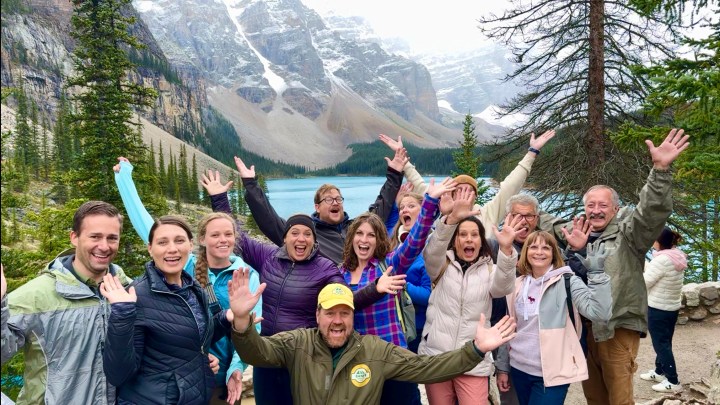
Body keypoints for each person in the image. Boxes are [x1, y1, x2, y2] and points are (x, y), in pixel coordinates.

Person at [210, 187, 405, 405]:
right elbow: (236, 238)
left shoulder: (324, 268)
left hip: (303, 358)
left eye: (307, 234)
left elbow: (347, 300)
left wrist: (375, 288)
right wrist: (218, 197)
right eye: (295, 233)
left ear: (314, 240)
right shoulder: (268, 256)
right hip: (267, 354)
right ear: (285, 238)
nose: (301, 239)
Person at [537, 128, 690, 405]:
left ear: (615, 208)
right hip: (583, 329)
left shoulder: (630, 233)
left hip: (616, 329)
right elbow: (548, 223)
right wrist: (522, 210)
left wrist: (660, 171)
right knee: (594, 397)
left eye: (603, 205)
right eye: (590, 204)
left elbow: (651, 212)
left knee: (619, 400)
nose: (596, 210)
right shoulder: (576, 230)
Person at [227, 269, 519, 404]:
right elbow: (257, 353)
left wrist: (476, 349)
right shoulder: (296, 343)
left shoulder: (375, 350)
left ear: (354, 316)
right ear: (317, 315)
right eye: (330, 313)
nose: (338, 321)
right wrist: (242, 322)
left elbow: (427, 368)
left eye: (345, 313)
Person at [114, 158, 259, 404]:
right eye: (215, 235)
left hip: (223, 374)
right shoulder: (185, 264)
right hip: (189, 373)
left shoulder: (246, 274)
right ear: (201, 240)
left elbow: (252, 325)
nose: (222, 240)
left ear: (236, 238)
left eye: (228, 234)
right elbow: (147, 225)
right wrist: (124, 179)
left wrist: (236, 368)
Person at [1, 201, 130, 404]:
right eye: (95, 236)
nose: (104, 246)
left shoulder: (129, 291)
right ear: (74, 238)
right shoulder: (36, 296)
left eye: (112, 238)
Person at [341, 178, 454, 404]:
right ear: (351, 238)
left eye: (371, 235)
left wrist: (430, 202)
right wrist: (376, 289)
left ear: (378, 239)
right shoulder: (340, 274)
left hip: (395, 357)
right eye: (359, 234)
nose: (364, 240)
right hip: (358, 360)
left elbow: (415, 241)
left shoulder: (389, 264)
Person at [101, 215, 233, 405]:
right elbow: (119, 374)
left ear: (190, 244)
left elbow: (189, 338)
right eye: (162, 242)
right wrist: (122, 314)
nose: (172, 249)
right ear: (150, 249)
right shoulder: (137, 296)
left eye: (179, 240)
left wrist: (227, 317)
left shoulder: (193, 289)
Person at [210, 148, 408, 264]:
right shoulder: (307, 236)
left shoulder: (357, 228)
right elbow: (269, 220)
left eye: (339, 199)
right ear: (317, 206)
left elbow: (381, 207)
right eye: (329, 200)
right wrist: (251, 185)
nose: (335, 202)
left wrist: (395, 173)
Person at [420, 187, 521, 405]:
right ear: (454, 240)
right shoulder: (441, 265)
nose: (468, 239)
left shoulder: (489, 269)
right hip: (439, 357)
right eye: (463, 234)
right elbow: (431, 253)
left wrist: (505, 251)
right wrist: (450, 221)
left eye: (474, 235)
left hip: (474, 360)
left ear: (481, 241)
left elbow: (503, 287)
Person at [495, 231, 612, 405]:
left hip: (553, 373)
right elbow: (509, 326)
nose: (539, 252)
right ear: (526, 252)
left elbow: (600, 313)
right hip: (519, 369)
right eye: (533, 247)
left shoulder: (568, 281)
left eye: (546, 248)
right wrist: (503, 367)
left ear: (554, 254)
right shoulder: (517, 284)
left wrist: (596, 274)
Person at [379, 130, 555, 239]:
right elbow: (419, 184)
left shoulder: (486, 214)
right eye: (459, 190)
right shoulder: (439, 211)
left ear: (475, 197)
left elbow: (510, 187)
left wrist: (532, 153)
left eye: (469, 191)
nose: (464, 194)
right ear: (451, 194)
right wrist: (403, 159)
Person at [640, 227, 687, 393]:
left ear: (659, 242)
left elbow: (645, 283)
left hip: (658, 308)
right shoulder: (677, 255)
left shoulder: (662, 260)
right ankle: (660, 372)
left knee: (661, 344)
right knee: (665, 341)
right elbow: (657, 273)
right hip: (671, 307)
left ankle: (673, 380)